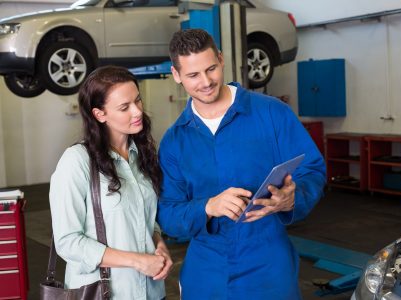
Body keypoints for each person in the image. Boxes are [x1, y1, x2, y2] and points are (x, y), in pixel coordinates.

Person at [157, 29, 326, 299]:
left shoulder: (272, 113)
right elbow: (167, 214)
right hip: (207, 270)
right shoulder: (174, 141)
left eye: (211, 69)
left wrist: (292, 199)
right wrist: (208, 206)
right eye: (192, 75)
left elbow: (312, 169)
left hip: (268, 263)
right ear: (176, 75)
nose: (206, 82)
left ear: (221, 59)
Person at [49, 65, 173, 299]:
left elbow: (144, 219)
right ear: (100, 114)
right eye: (124, 107)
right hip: (105, 292)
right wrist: (137, 261)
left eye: (138, 101)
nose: (137, 112)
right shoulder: (77, 161)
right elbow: (68, 242)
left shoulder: (142, 155)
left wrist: (158, 244)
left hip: (151, 291)